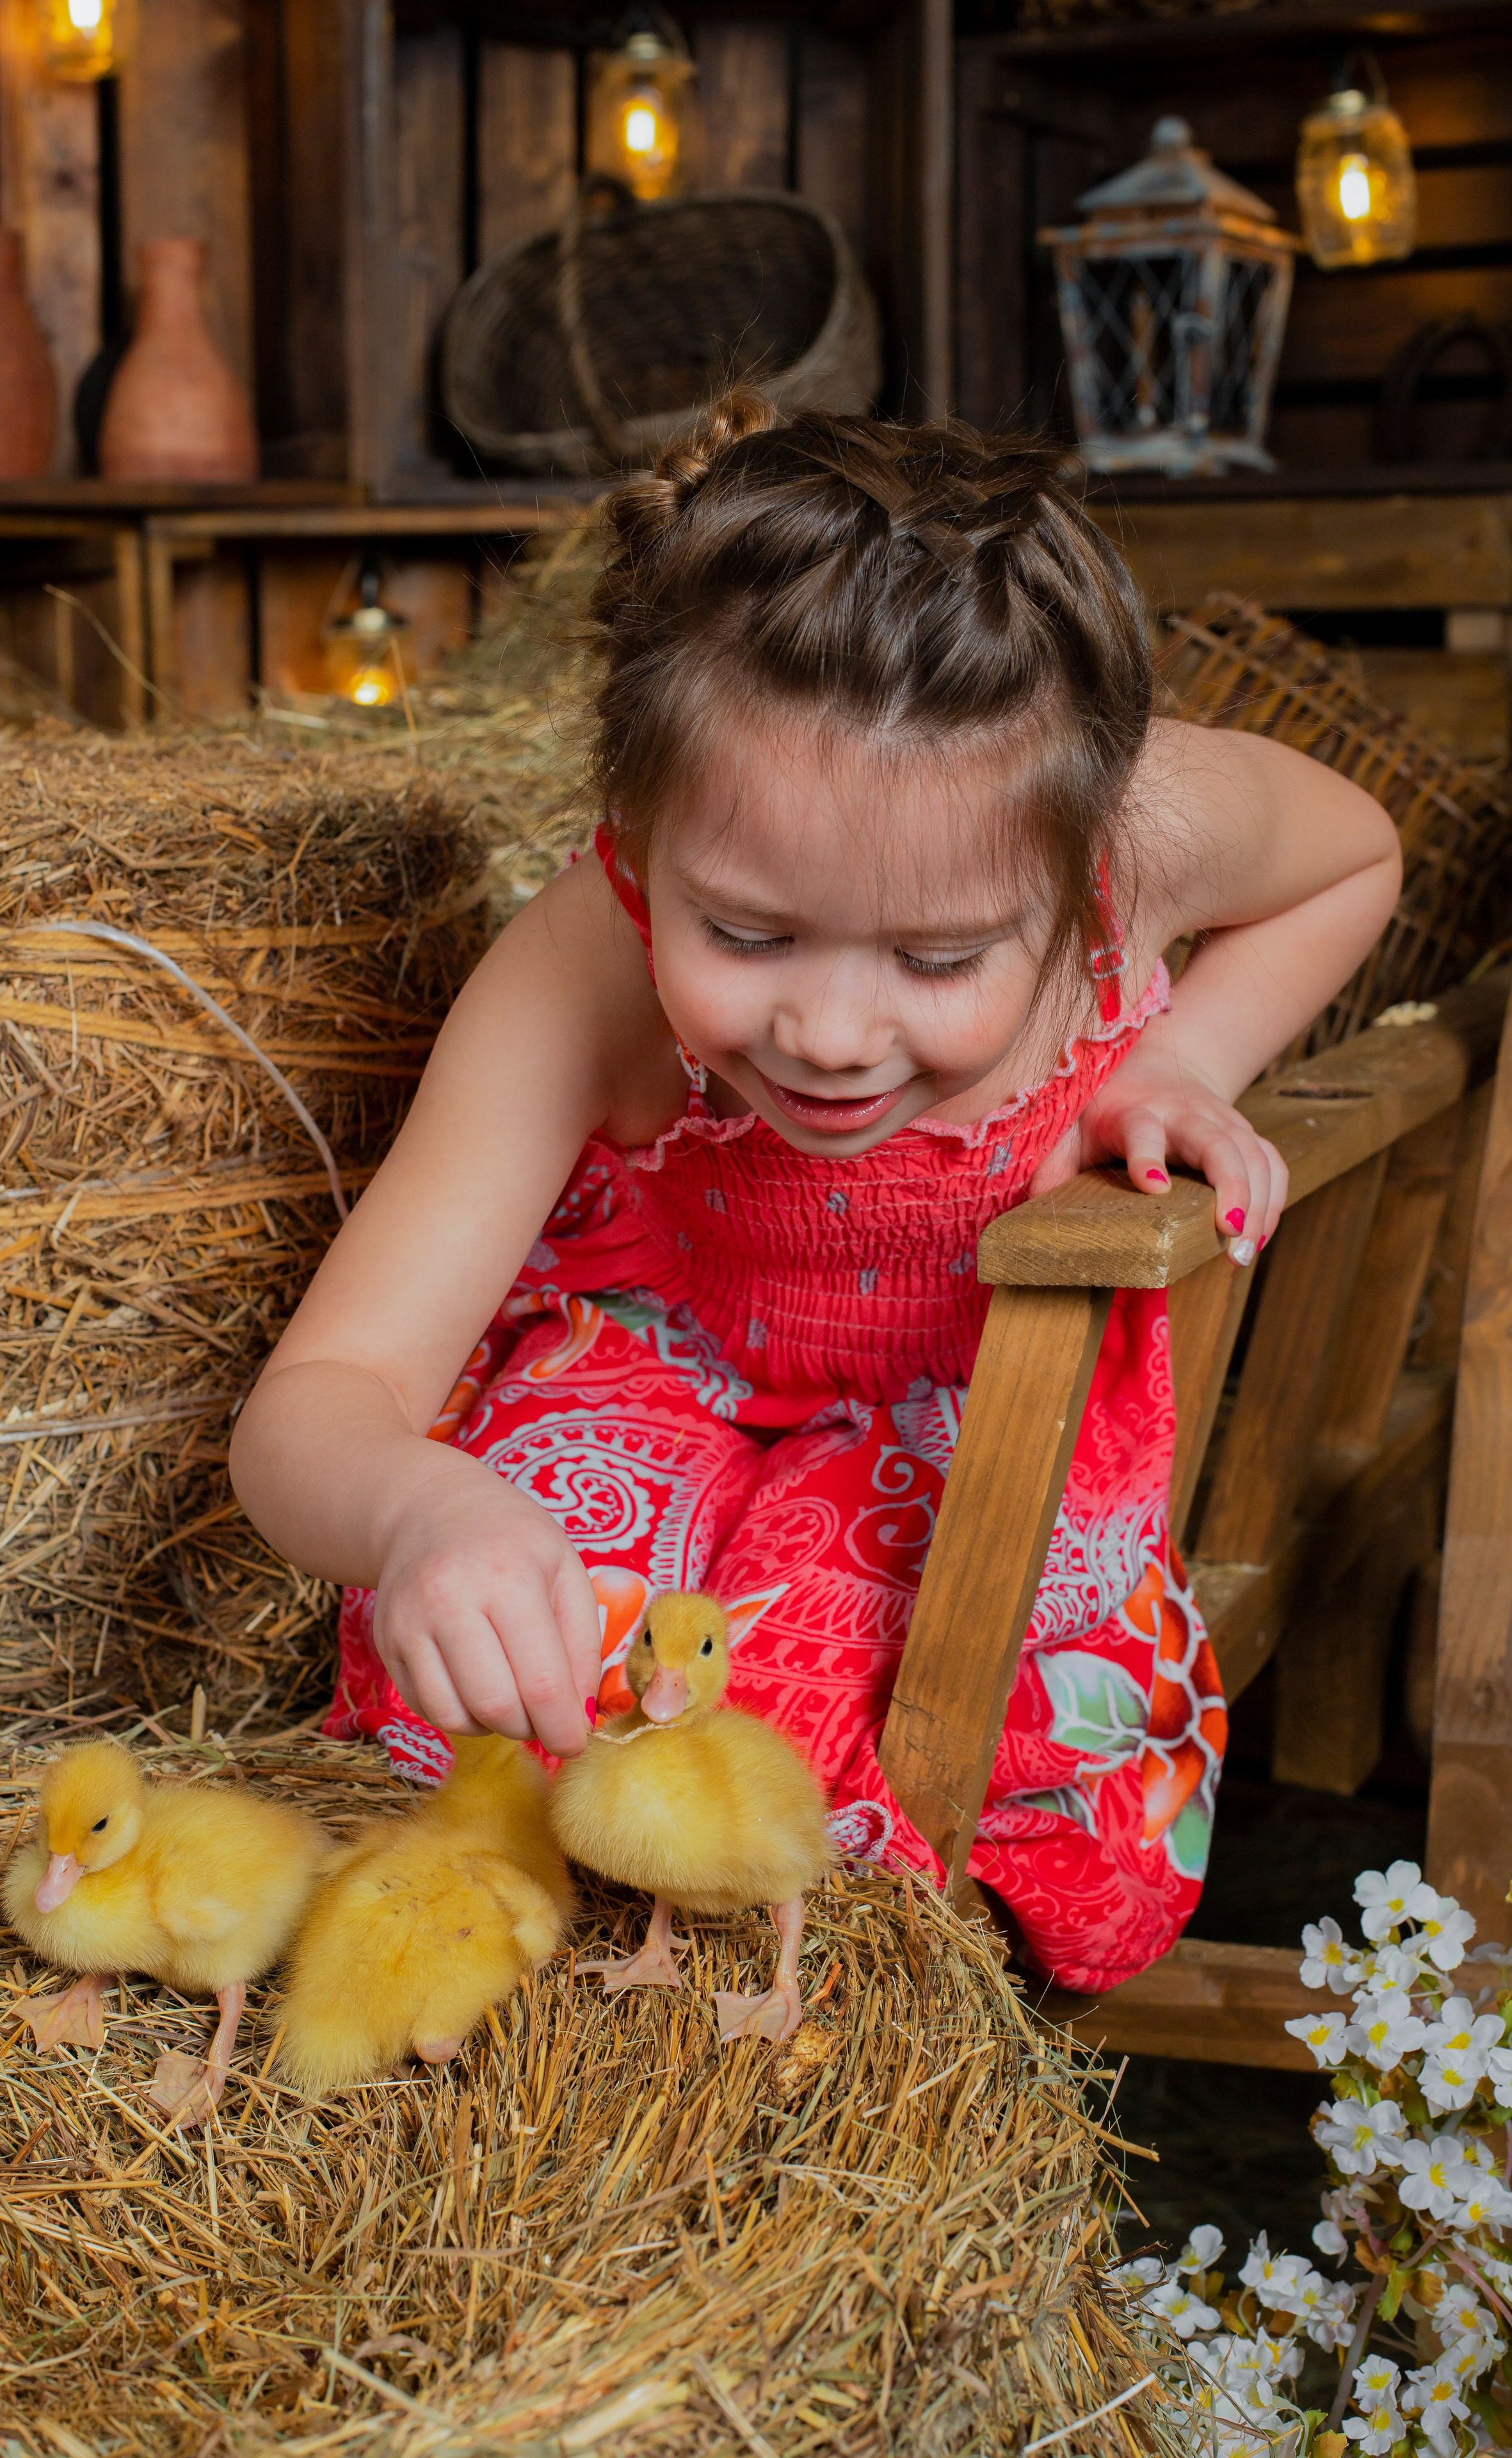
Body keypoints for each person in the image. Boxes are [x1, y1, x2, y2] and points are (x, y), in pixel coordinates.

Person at [229, 398, 1400, 1992]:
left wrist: (1179, 1059)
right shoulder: (581, 961)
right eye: (747, 934)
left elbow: (1355, 854)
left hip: (969, 1401)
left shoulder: (1140, 834)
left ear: (1072, 871)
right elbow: (319, 1399)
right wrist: (421, 1510)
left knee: (889, 1706)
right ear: (643, 826)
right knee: (550, 1691)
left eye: (937, 960)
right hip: (669, 1381)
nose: (831, 1035)